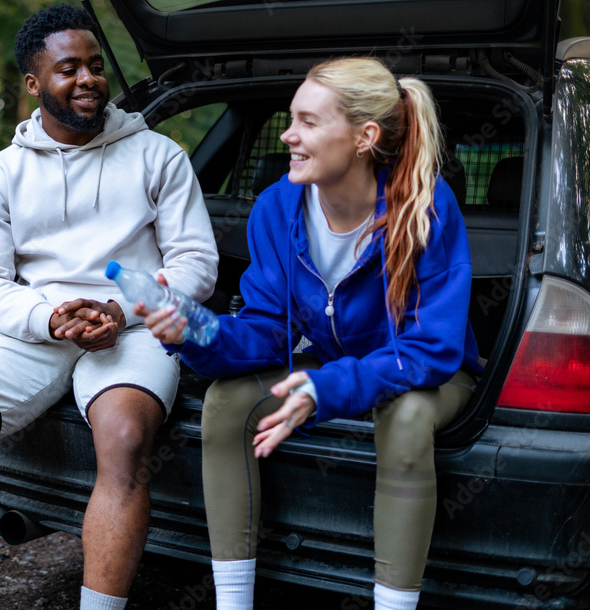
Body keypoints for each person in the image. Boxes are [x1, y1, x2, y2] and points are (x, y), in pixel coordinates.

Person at [0, 4, 218, 610]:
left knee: (126, 438)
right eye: (68, 69)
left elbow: (196, 266)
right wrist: (50, 318)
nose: (87, 79)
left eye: (93, 65)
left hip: (131, 326)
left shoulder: (159, 156)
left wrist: (119, 309)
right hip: (34, 327)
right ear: (34, 84)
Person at [139, 57, 482, 610]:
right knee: (226, 401)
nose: (288, 135)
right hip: (335, 365)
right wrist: (193, 331)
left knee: (407, 413)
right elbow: (268, 327)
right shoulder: (277, 207)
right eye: (290, 119)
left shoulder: (426, 206)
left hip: (427, 373)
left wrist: (326, 389)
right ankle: (233, 601)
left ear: (364, 136)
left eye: (308, 121)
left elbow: (430, 349)